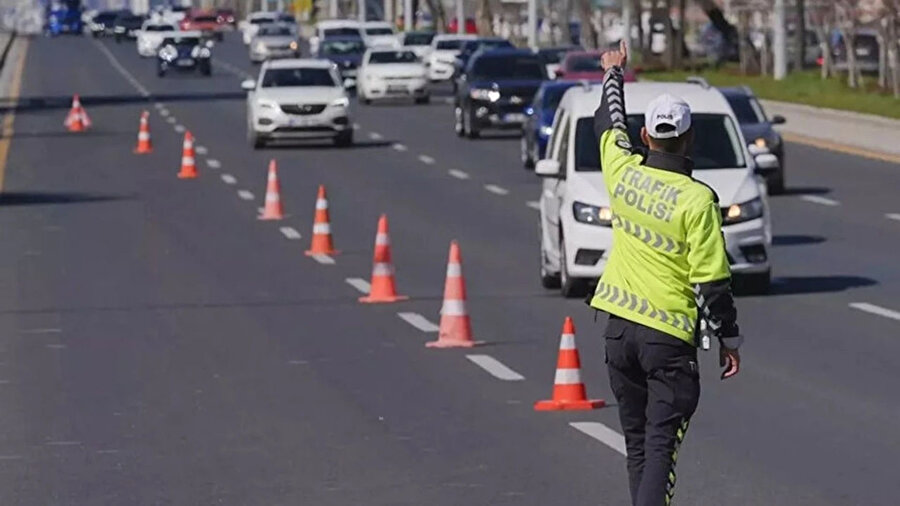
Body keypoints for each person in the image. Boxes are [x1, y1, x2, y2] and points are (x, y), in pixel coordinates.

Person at [588, 41, 742, 506]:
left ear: (648, 137)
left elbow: (608, 124)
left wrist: (613, 73)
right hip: (667, 340)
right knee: (659, 449)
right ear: (689, 139)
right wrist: (728, 339)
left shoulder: (624, 172)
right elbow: (712, 281)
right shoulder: (698, 200)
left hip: (618, 335)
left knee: (639, 446)